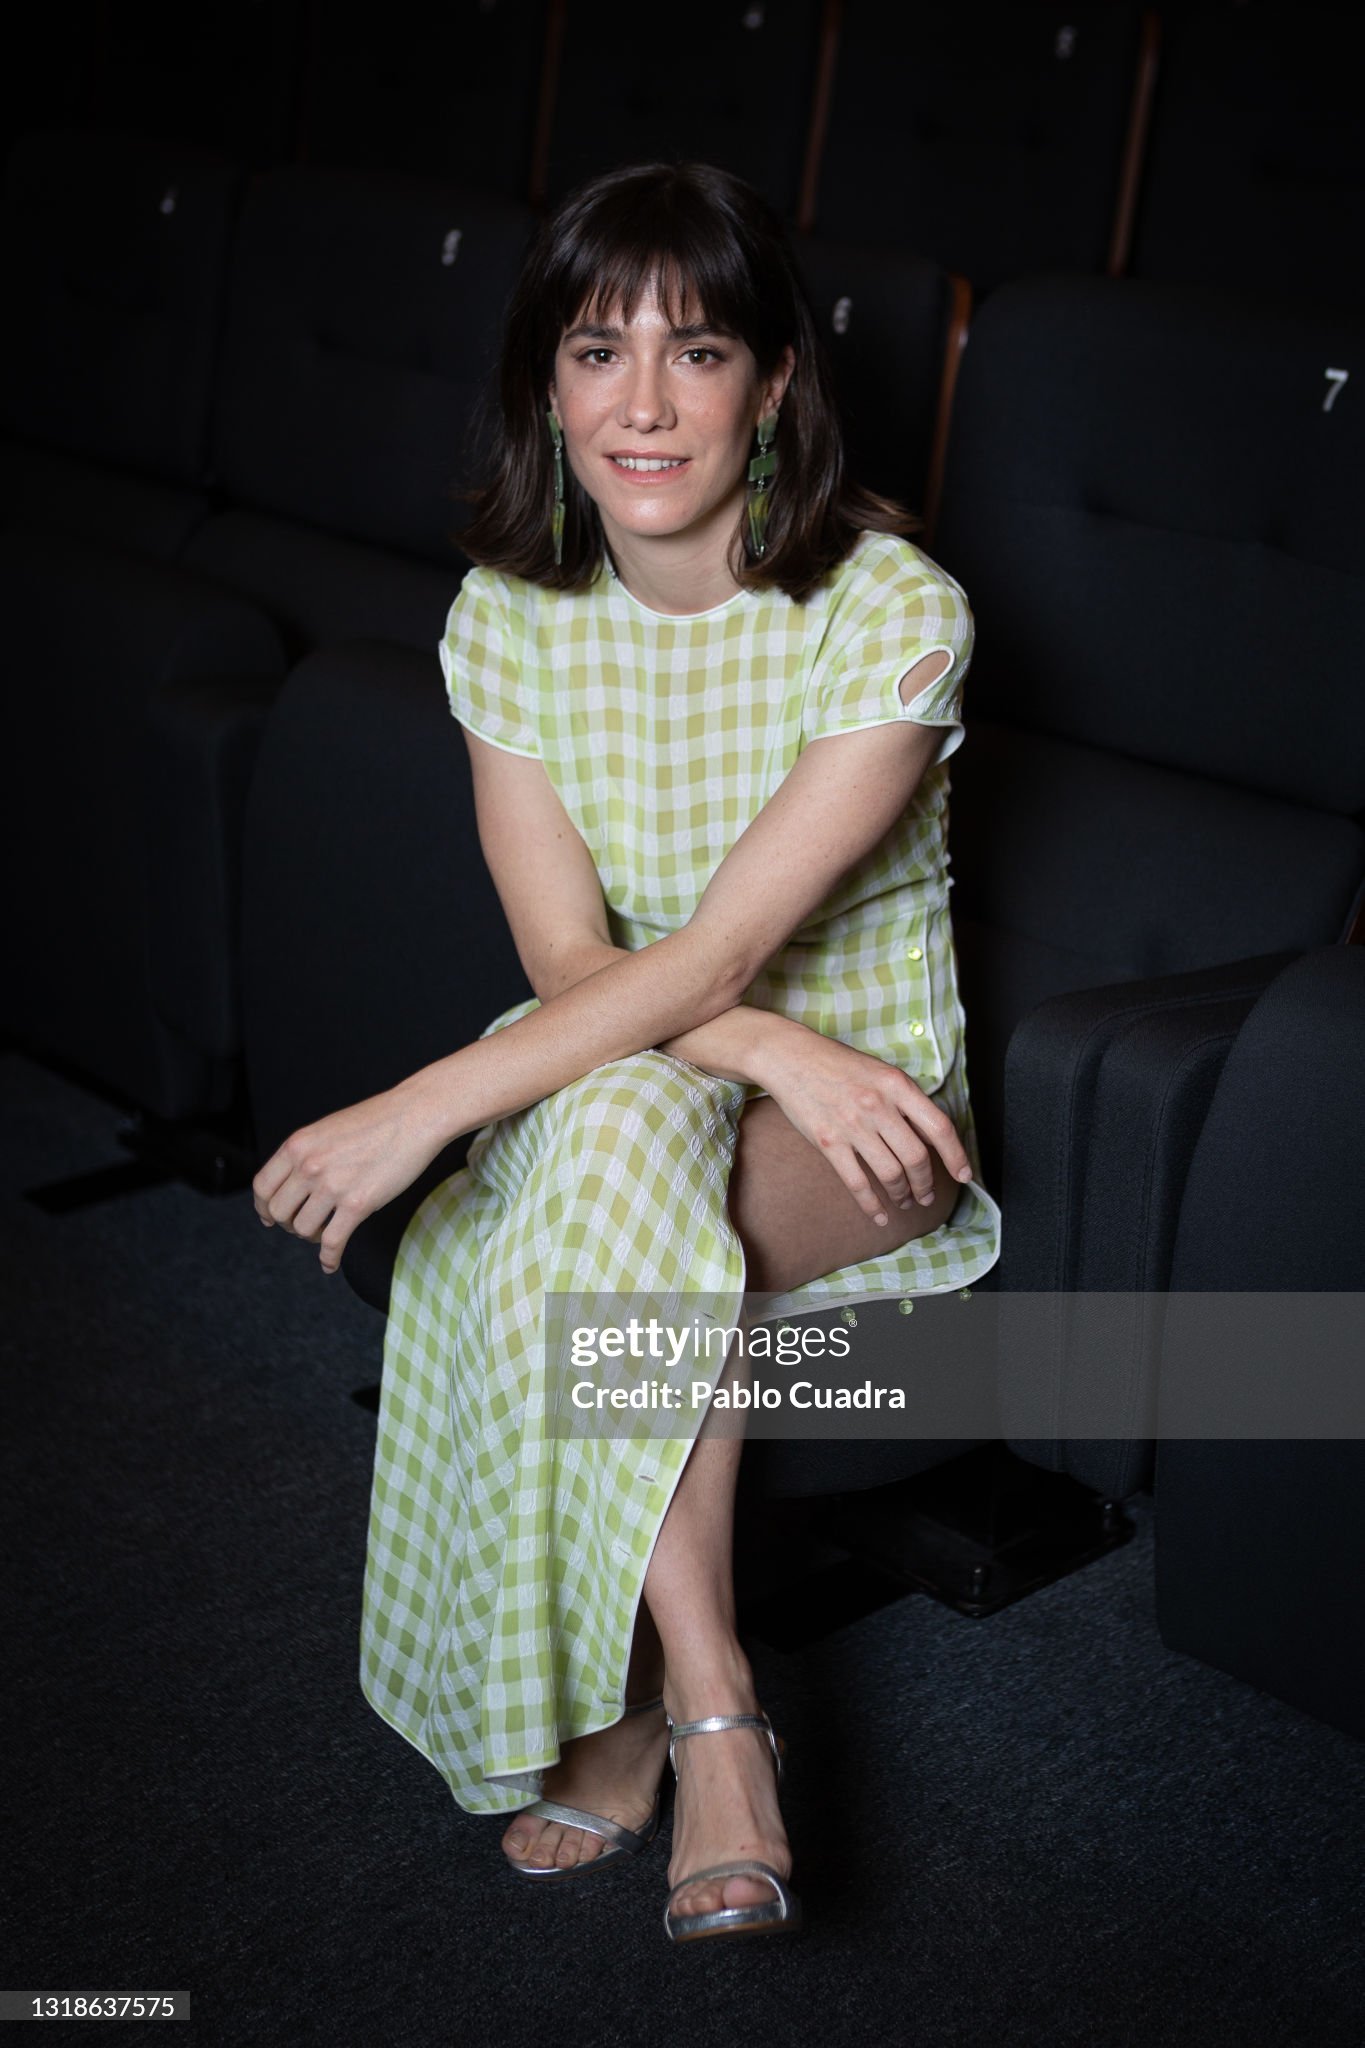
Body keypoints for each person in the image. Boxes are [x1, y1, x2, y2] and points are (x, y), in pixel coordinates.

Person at [251, 160, 1002, 1946]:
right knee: (616, 1152)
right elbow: (569, 962)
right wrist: (763, 1052)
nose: (643, 404)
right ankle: (710, 1699)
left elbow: (721, 948)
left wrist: (419, 1112)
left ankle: (651, 1722)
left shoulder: (893, 607)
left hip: (865, 1118)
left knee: (600, 1158)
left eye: (698, 353)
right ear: (546, 388)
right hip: (619, 1072)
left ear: (772, 386)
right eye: (597, 352)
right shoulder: (506, 617)